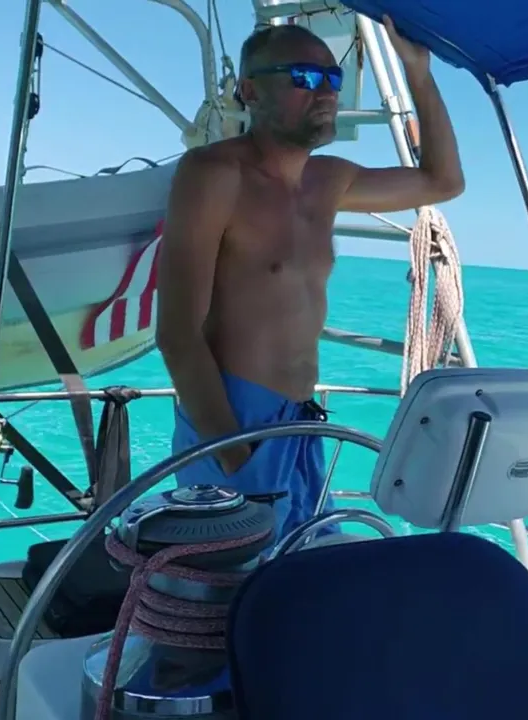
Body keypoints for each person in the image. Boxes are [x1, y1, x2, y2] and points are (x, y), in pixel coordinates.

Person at [155, 16, 464, 543]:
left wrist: (418, 71)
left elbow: (444, 181)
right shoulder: (214, 174)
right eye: (304, 77)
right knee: (236, 583)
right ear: (251, 90)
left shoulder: (330, 180)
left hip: (299, 424)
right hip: (233, 423)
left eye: (332, 78)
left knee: (308, 566)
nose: (326, 92)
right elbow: (178, 334)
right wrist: (234, 455)